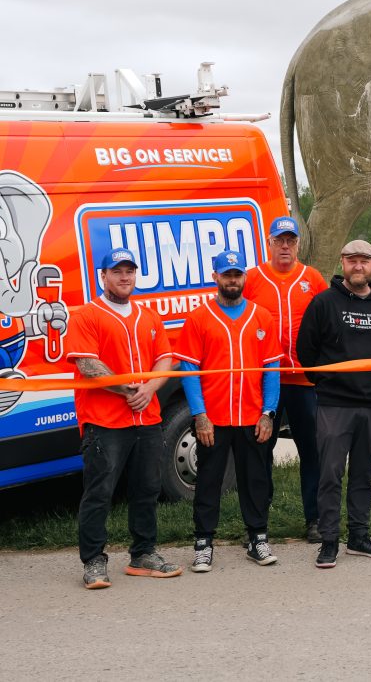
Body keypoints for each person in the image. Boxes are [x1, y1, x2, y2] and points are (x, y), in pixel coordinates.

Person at [65, 248, 181, 589]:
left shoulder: (149, 316)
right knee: (99, 492)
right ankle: (94, 561)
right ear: (103, 277)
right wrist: (126, 389)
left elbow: (165, 360)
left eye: (129, 270)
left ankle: (143, 554)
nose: (125, 276)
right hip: (104, 421)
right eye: (117, 271)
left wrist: (149, 390)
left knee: (147, 489)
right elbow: (88, 366)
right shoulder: (87, 315)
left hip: (146, 419)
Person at [176, 250, 284, 571]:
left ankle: (257, 538)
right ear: (216, 277)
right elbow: (190, 371)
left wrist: (269, 412)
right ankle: (203, 542)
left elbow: (272, 370)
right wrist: (200, 414)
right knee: (209, 479)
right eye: (227, 274)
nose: (232, 280)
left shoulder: (261, 317)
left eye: (237, 274)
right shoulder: (198, 318)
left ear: (244, 278)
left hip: (253, 417)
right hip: (214, 418)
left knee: (255, 480)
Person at [296, 239, 371, 568]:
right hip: (334, 405)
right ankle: (328, 540)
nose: (358, 266)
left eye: (365, 261)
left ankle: (359, 536)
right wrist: (326, 383)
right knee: (330, 473)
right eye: (352, 260)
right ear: (343, 263)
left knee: (364, 474)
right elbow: (306, 351)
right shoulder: (323, 303)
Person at [245, 216, 328, 543]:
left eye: (290, 240)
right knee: (261, 450)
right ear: (269, 242)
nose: (285, 246)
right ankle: (258, 522)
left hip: (305, 382)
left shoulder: (313, 278)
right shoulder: (252, 278)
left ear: (297, 244)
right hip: (266, 381)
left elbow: (327, 322)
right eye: (279, 240)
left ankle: (316, 519)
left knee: (313, 451)